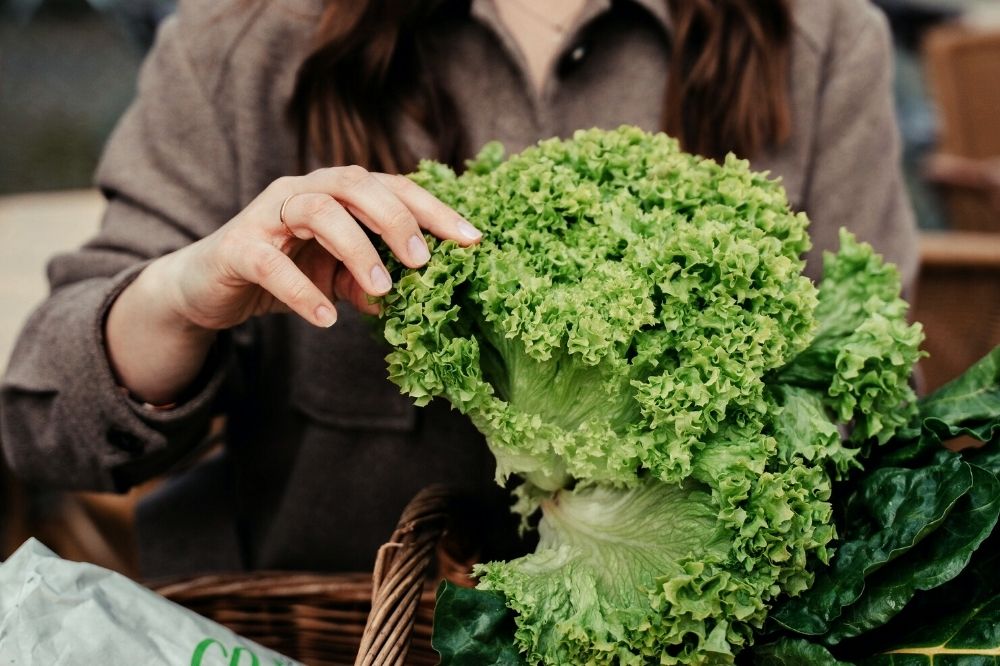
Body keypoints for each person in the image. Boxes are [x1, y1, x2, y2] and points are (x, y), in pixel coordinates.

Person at [0, 0, 918, 578]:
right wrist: (186, 292)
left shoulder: (821, 35)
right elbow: (46, 428)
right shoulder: (237, 42)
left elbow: (867, 402)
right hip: (318, 636)